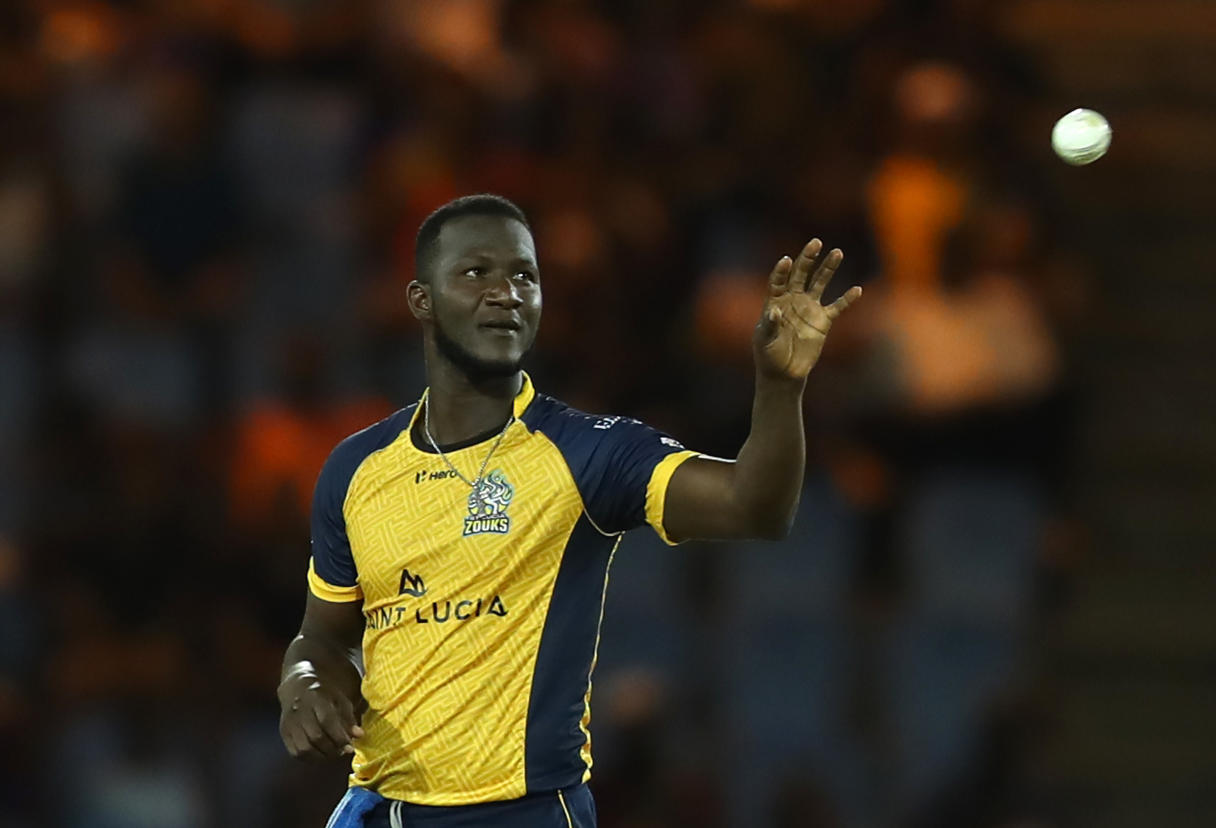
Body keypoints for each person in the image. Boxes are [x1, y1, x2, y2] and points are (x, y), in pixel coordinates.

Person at [276, 194, 861, 828]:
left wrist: (780, 387)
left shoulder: (588, 453)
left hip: (523, 813)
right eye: (476, 272)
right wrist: (304, 682)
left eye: (524, 275)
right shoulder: (356, 468)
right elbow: (325, 637)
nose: (506, 292)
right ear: (422, 300)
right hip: (374, 810)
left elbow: (757, 508)